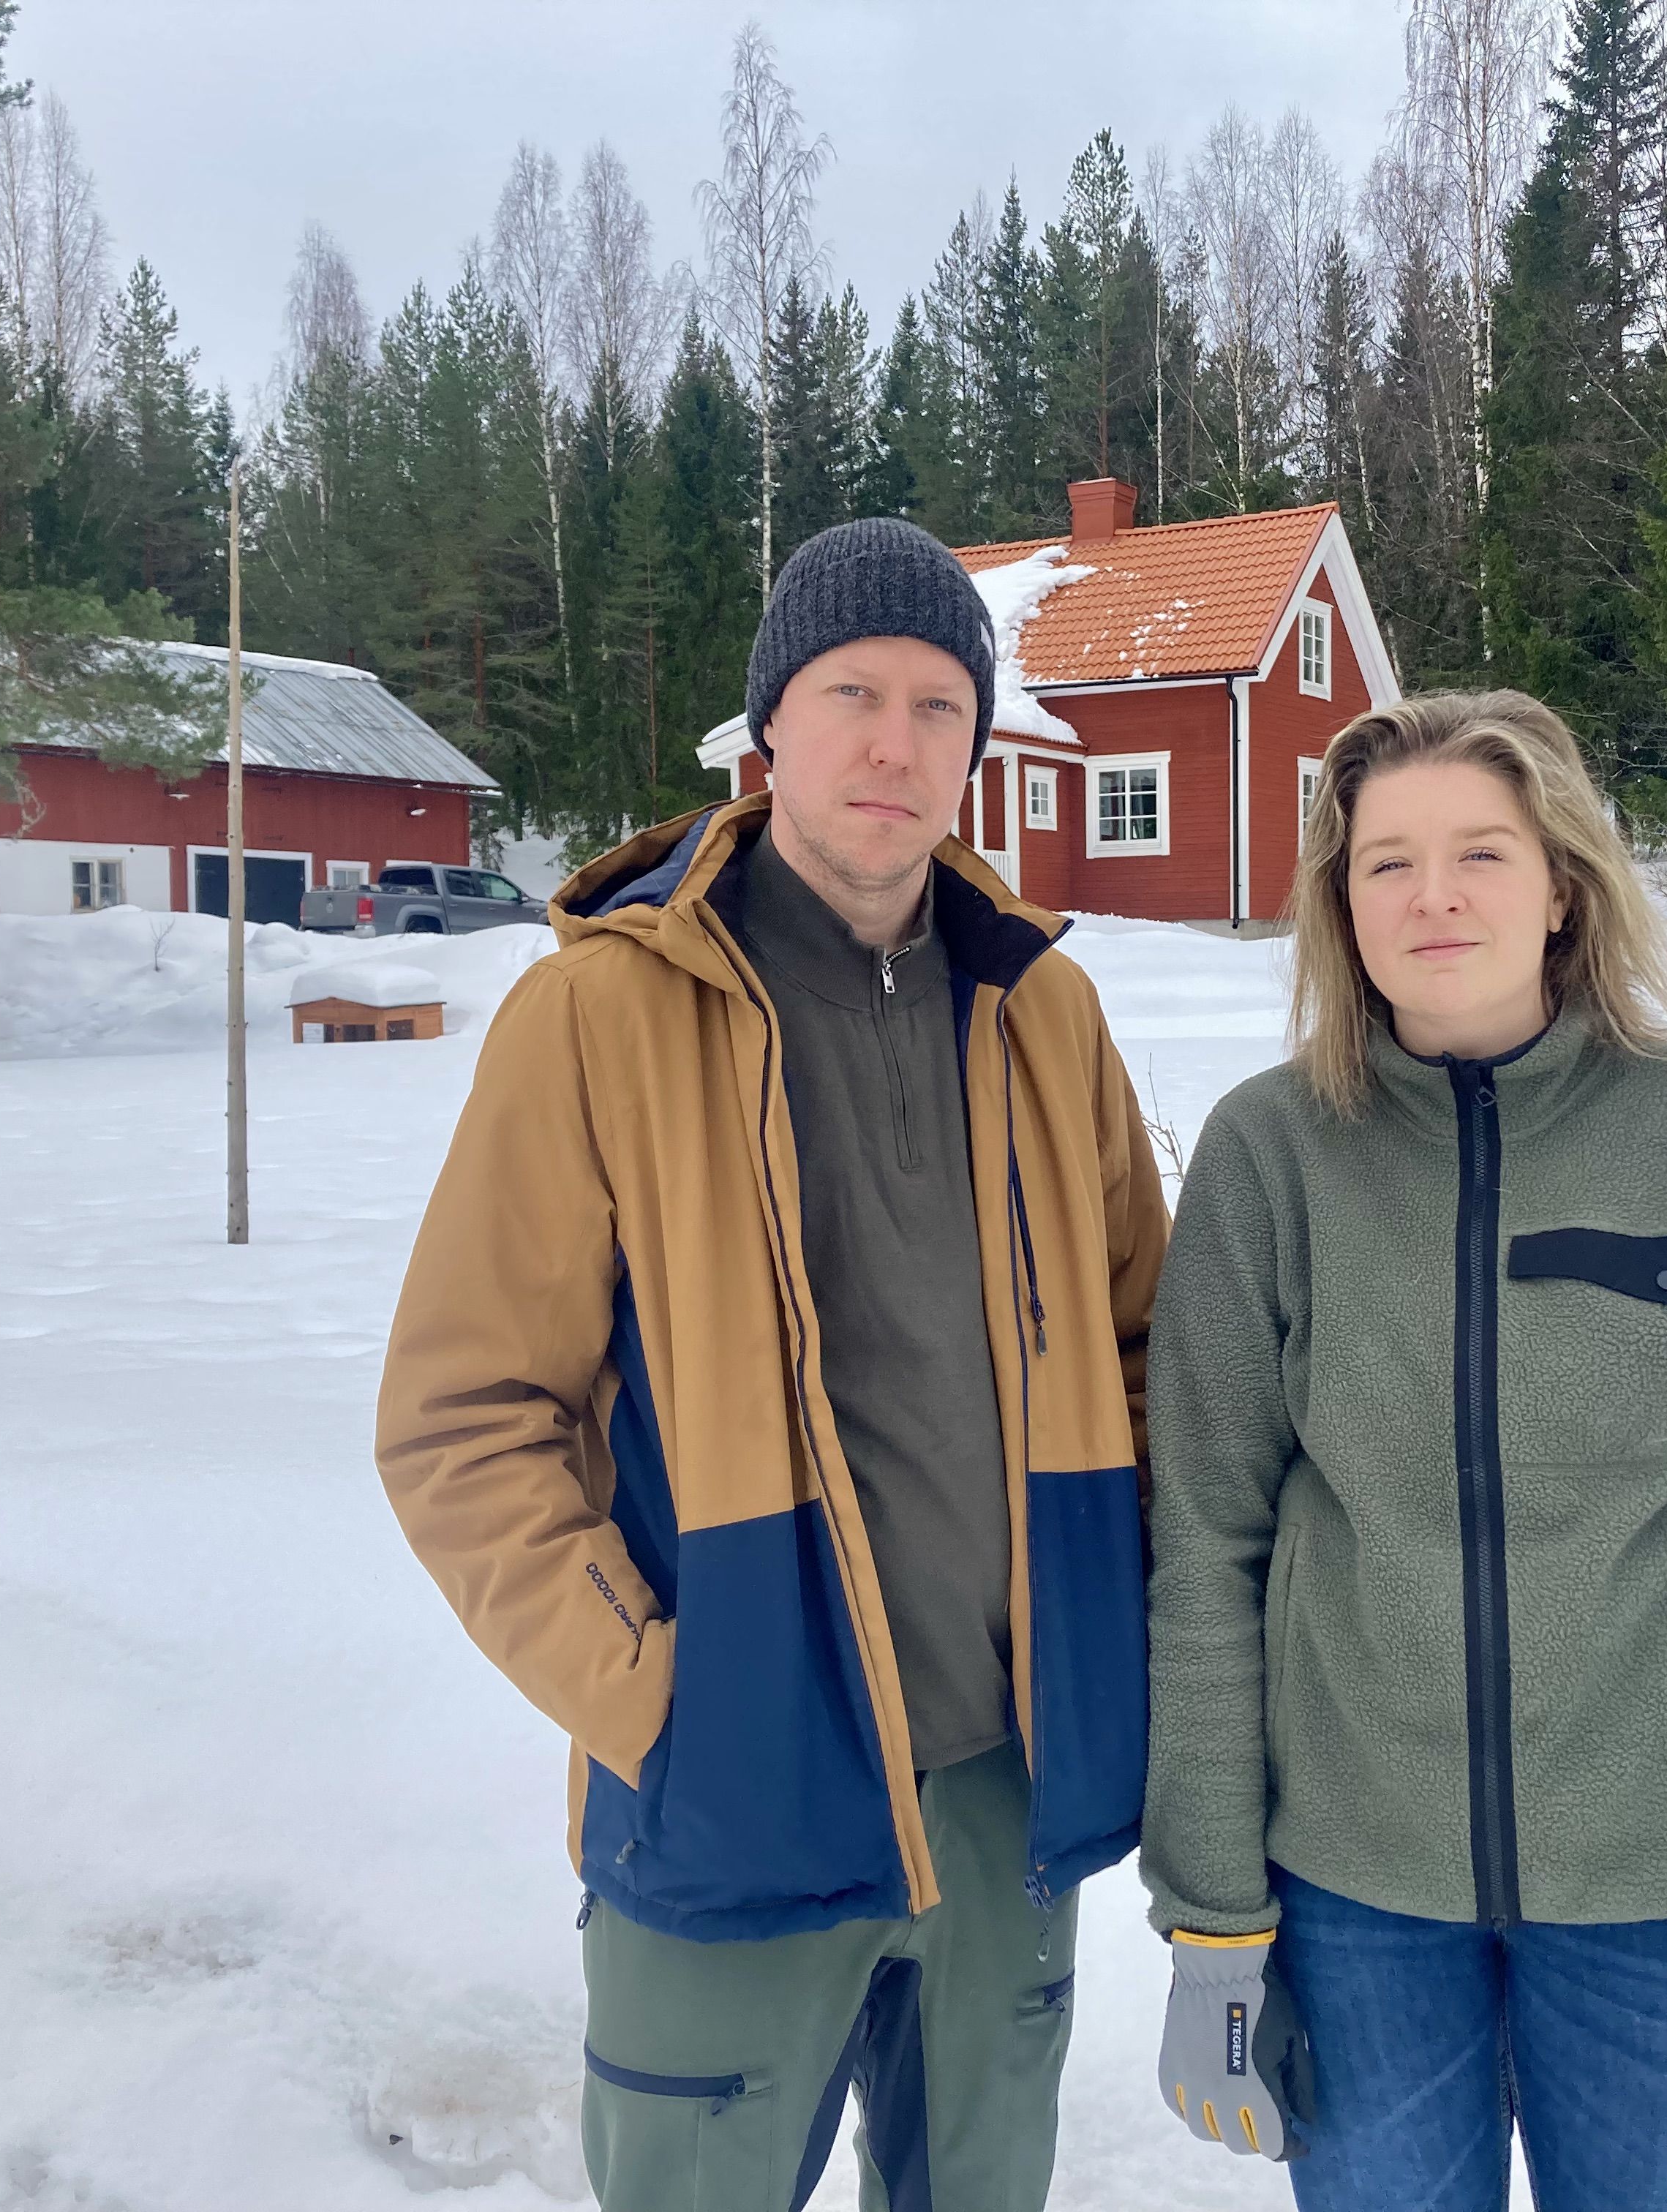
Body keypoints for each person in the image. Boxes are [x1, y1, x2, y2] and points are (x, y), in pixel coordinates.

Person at [376, 516, 1168, 2212]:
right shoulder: (603, 1015)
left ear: (978, 743)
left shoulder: (1042, 1014)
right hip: (737, 1792)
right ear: (768, 732)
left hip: (1006, 1792)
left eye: (941, 706)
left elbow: (1142, 1349)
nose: (897, 742)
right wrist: (660, 1702)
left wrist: (1126, 1638)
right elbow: (463, 1421)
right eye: (852, 693)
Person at [1140, 690, 1667, 2211]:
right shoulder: (1268, 1159)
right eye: (1386, 863)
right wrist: (1214, 1920)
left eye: (1481, 854)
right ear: (1341, 904)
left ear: (1564, 885)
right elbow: (1204, 1549)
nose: (1433, 895)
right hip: (1357, 1901)